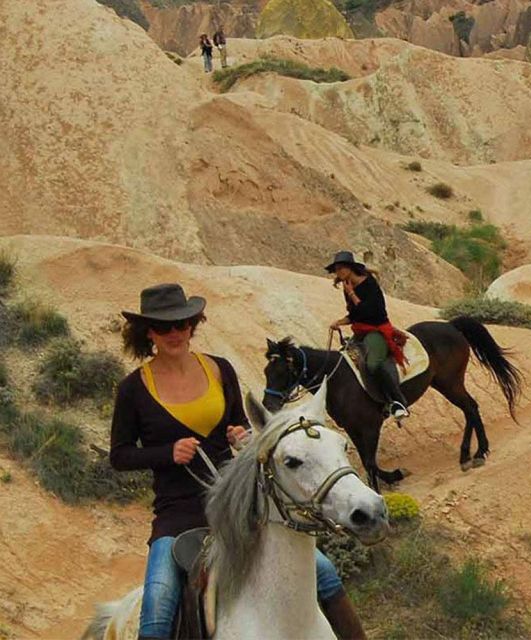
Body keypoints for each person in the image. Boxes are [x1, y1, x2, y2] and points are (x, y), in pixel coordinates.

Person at [110, 283, 365, 640]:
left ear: (192, 325)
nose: (175, 333)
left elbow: (242, 424)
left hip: (239, 504)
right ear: (148, 331)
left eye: (182, 324)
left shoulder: (220, 370)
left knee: (324, 572)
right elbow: (119, 455)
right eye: (164, 327)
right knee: (157, 607)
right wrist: (166, 454)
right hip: (177, 512)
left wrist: (243, 437)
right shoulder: (133, 389)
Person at [326, 251, 410, 420]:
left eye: (341, 268)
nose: (339, 272)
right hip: (360, 330)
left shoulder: (370, 284)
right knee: (344, 361)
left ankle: (398, 402)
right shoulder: (348, 287)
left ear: (350, 268)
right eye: (336, 269)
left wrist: (351, 294)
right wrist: (340, 322)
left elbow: (371, 312)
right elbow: (355, 314)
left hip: (377, 330)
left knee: (373, 364)